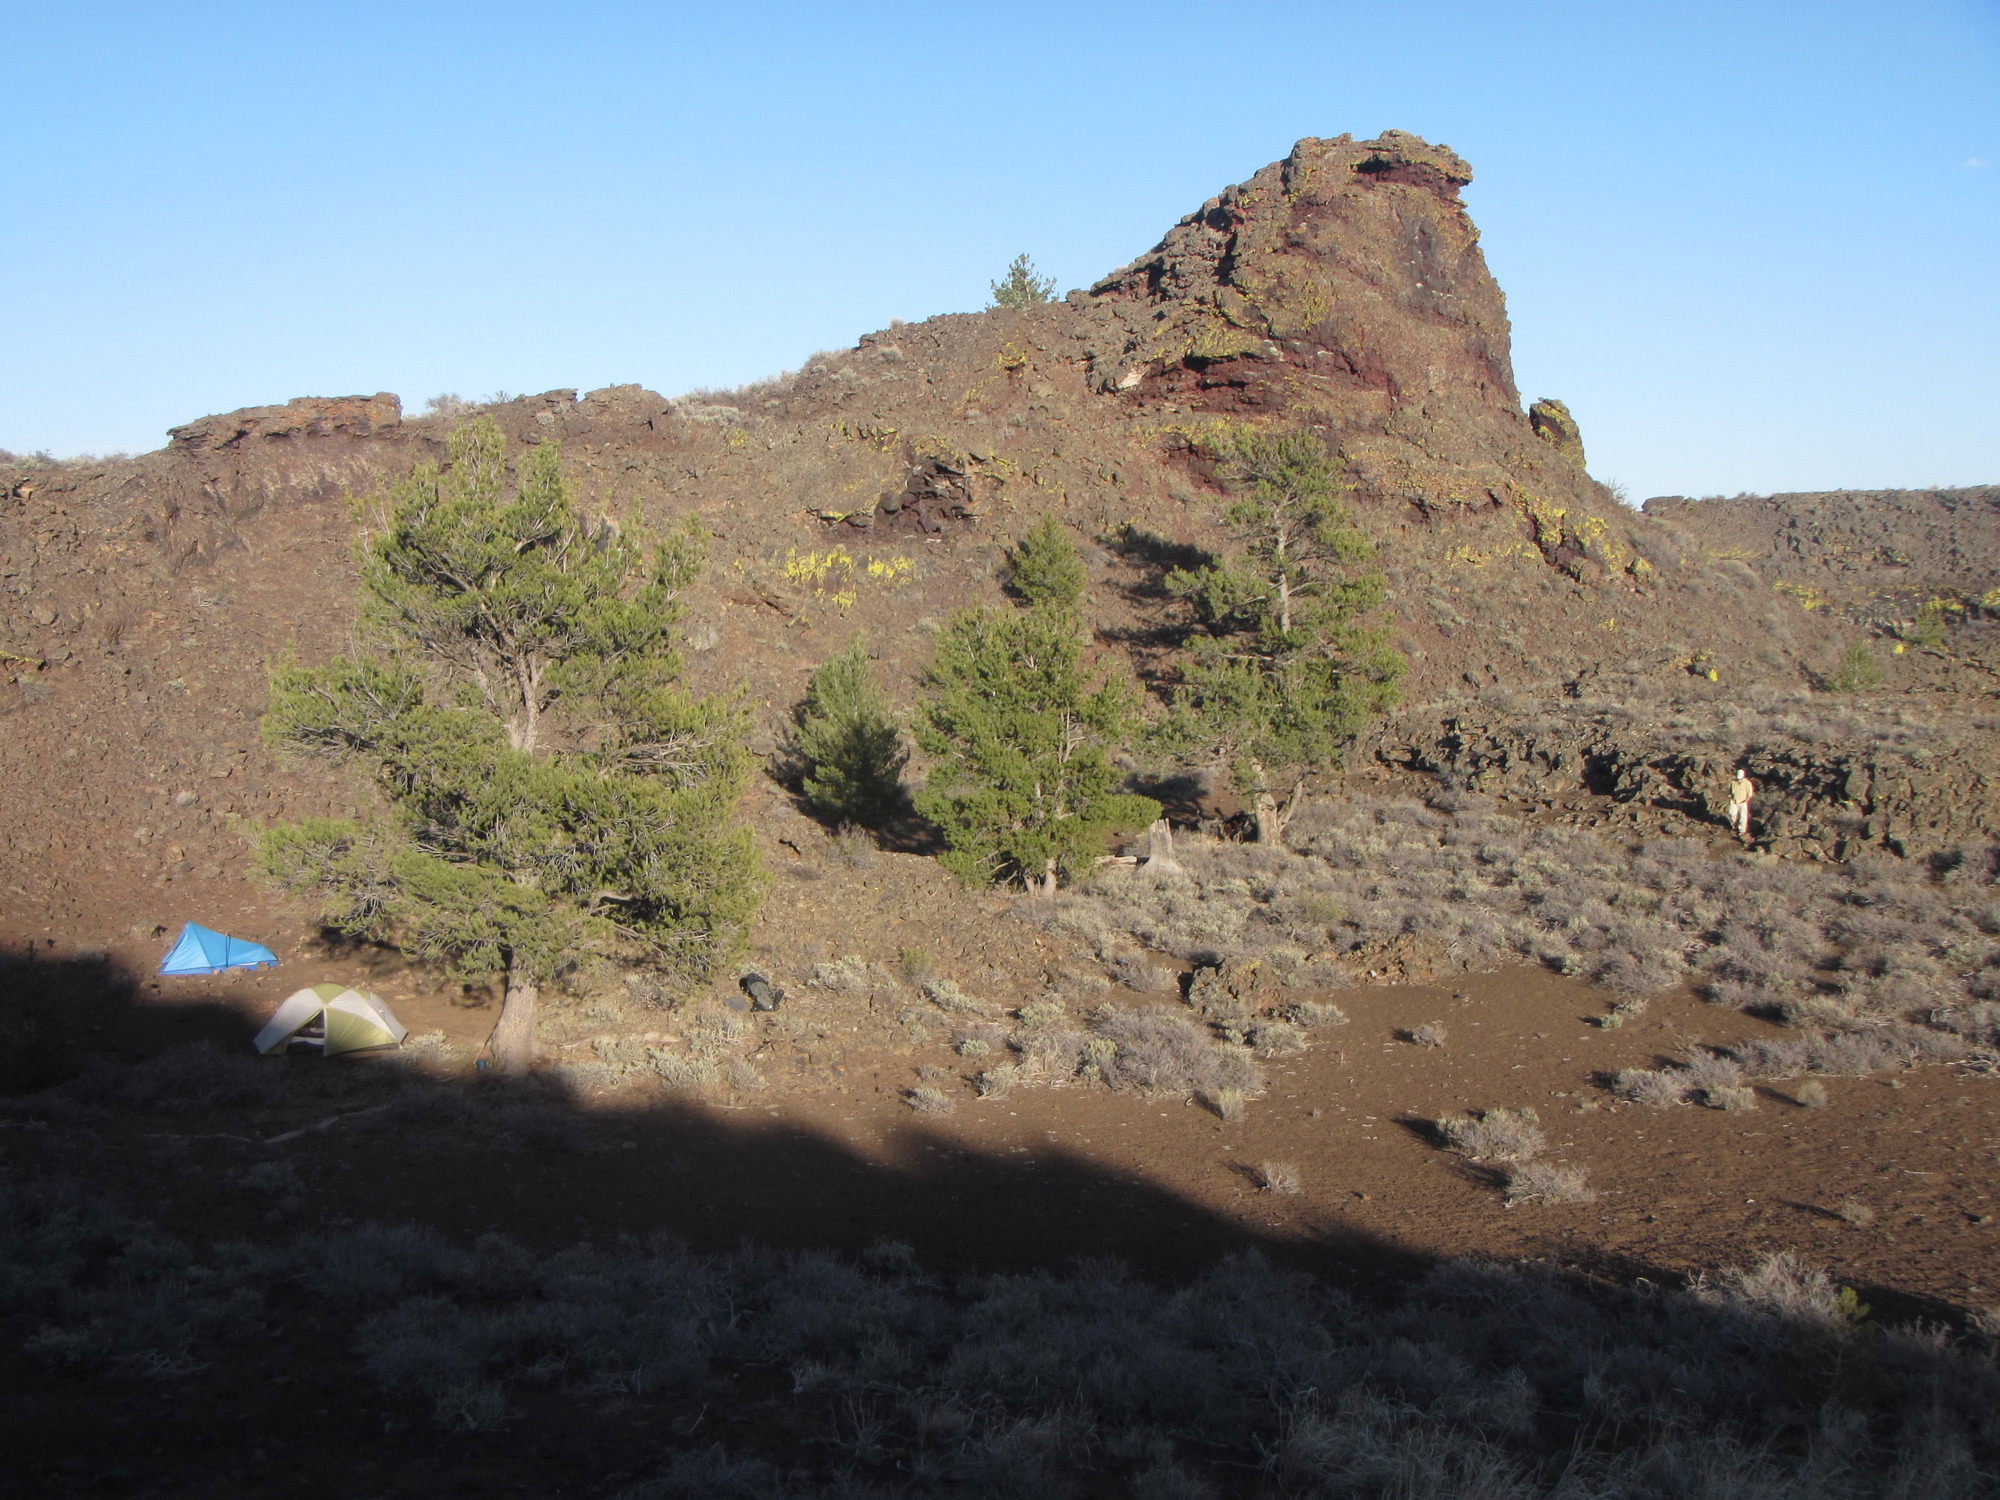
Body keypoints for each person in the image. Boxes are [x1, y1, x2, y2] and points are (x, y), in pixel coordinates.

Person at [1727, 766, 1754, 843]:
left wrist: (1746, 801)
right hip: (1734, 801)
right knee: (1732, 813)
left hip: (1743, 802)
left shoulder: (1747, 783)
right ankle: (1734, 825)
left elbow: (1749, 794)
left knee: (1743, 816)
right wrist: (1731, 798)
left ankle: (1741, 830)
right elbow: (1730, 791)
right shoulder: (1732, 782)